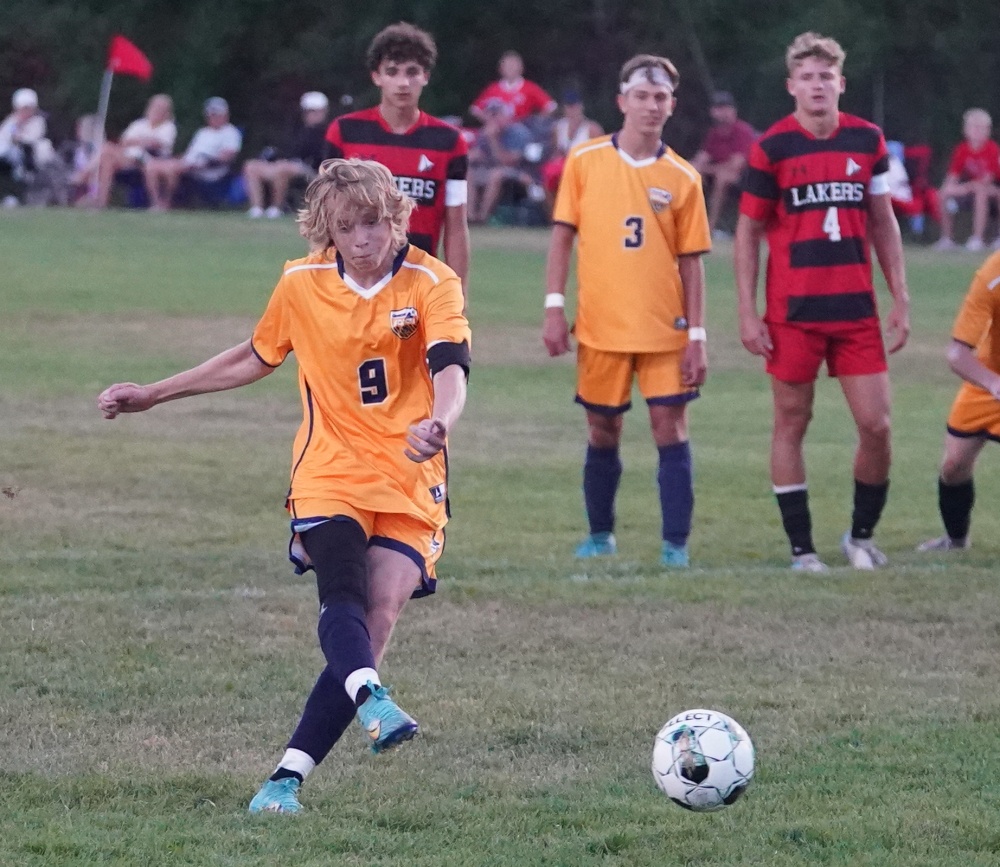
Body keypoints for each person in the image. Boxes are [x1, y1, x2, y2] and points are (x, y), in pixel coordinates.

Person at [97, 158, 471, 814]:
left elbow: (451, 366)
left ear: (396, 218)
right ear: (324, 228)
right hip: (329, 469)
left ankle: (285, 778)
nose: (362, 238)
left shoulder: (431, 280)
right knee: (344, 594)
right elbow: (255, 354)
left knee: (377, 619)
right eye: (347, 226)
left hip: (412, 475)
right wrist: (154, 394)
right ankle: (369, 700)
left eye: (374, 223)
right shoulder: (300, 282)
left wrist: (439, 422)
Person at [734, 31, 910, 572]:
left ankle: (859, 536)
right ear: (792, 87)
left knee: (877, 425)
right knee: (791, 422)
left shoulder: (867, 140)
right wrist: (747, 310)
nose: (817, 86)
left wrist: (900, 296)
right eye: (807, 77)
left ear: (841, 84)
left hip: (856, 311)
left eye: (826, 77)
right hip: (793, 314)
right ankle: (801, 549)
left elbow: (883, 222)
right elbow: (746, 233)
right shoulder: (772, 147)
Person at [542, 54, 711, 568]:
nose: (651, 105)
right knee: (602, 430)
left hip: (665, 330)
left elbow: (692, 263)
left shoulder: (683, 177)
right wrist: (554, 307)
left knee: (669, 428)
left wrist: (698, 334)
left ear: (672, 105)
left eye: (660, 97)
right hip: (600, 327)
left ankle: (675, 546)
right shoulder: (586, 161)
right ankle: (600, 535)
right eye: (641, 95)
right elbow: (562, 238)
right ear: (622, 102)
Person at [324, 22, 469, 298]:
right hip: (353, 281)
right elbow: (325, 216)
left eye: (412, 72)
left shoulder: (450, 142)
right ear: (376, 76)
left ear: (426, 76)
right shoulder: (344, 133)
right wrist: (324, 279)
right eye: (392, 72)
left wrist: (457, 291)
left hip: (419, 281)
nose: (403, 83)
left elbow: (456, 225)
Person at [917, 250, 1000, 552]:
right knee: (953, 466)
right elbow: (957, 354)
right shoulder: (993, 273)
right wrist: (993, 383)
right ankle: (956, 541)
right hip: (990, 379)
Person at [143, 97, 241, 210]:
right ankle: (156, 203)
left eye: (217, 114)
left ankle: (166, 203)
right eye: (211, 114)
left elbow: (226, 157)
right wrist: (178, 160)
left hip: (208, 170)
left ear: (225, 115)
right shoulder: (203, 132)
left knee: (169, 170)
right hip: (189, 164)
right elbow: (190, 154)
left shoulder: (230, 132)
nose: (213, 117)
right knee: (152, 166)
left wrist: (200, 164)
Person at [243, 91, 329, 219]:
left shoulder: (327, 131)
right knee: (251, 166)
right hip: (288, 164)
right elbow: (284, 150)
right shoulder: (296, 129)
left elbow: (320, 158)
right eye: (309, 111)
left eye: (315, 111)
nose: (311, 115)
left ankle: (276, 209)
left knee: (283, 167)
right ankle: (257, 208)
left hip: (313, 171)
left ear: (324, 111)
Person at [87, 94, 177, 208]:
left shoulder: (168, 127)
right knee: (107, 158)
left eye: (160, 109)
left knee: (107, 149)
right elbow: (124, 142)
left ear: (166, 112)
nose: (156, 111)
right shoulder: (139, 124)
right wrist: (143, 141)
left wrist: (138, 141)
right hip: (129, 157)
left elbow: (158, 144)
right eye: (154, 107)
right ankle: (101, 201)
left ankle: (82, 177)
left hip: (149, 160)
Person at [690, 90, 756, 238]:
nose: (723, 112)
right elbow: (701, 158)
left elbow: (736, 165)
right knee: (692, 173)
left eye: (726, 108)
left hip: (748, 177)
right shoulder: (714, 134)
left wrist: (707, 169)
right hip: (721, 172)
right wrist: (693, 167)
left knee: (723, 177)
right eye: (718, 108)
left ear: (733, 110)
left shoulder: (742, 131)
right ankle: (690, 221)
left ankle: (710, 228)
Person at [933, 109, 1000, 252]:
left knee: (981, 191)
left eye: (980, 127)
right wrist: (949, 189)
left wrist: (968, 187)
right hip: (971, 190)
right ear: (965, 129)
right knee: (943, 193)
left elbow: (988, 179)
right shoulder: (962, 150)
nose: (976, 131)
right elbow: (952, 177)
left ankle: (977, 239)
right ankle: (946, 239)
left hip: (992, 191)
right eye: (973, 127)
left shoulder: (992, 149)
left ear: (988, 130)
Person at [467, 98, 535, 224]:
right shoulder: (485, 131)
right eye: (491, 115)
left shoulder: (518, 132)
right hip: (490, 169)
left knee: (496, 175)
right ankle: (470, 217)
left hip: (519, 172)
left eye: (497, 114)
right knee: (467, 172)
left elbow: (507, 161)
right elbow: (479, 154)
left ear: (506, 115)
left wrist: (493, 139)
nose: (494, 119)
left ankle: (482, 218)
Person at [540, 90, 603, 214]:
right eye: (569, 107)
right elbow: (556, 150)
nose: (572, 110)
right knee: (548, 176)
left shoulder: (592, 129)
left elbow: (600, 155)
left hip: (585, 166)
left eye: (574, 106)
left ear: (580, 107)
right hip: (565, 165)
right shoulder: (559, 127)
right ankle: (555, 214)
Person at [0, 88, 59, 207]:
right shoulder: (11, 122)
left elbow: (29, 139)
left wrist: (17, 136)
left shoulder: (38, 122)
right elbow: (5, 136)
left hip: (30, 159)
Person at [470, 50, 556, 123]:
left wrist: (536, 122)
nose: (510, 68)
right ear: (501, 69)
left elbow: (550, 106)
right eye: (507, 66)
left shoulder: (530, 87)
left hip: (519, 129)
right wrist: (490, 120)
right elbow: (475, 109)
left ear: (521, 68)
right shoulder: (493, 89)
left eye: (513, 65)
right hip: (497, 128)